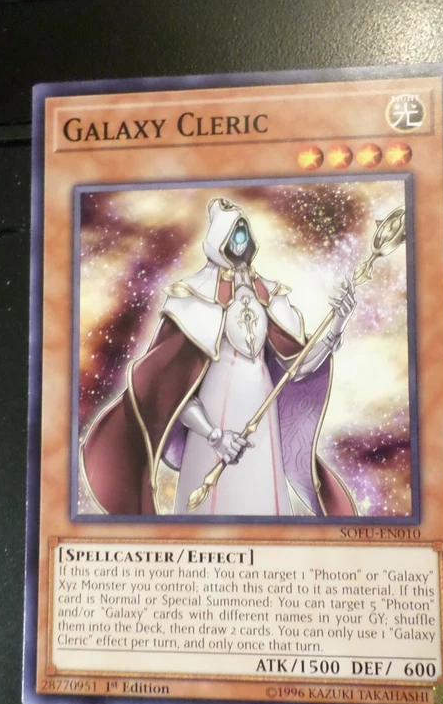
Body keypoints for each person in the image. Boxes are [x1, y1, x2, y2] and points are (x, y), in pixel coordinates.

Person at [81, 198, 358, 517]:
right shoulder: (192, 300)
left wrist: (337, 325)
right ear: (218, 242)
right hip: (215, 419)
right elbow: (171, 392)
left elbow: (299, 368)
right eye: (233, 236)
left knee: (263, 503)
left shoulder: (267, 295)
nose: (240, 244)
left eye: (244, 235)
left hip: (261, 417)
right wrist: (215, 436)